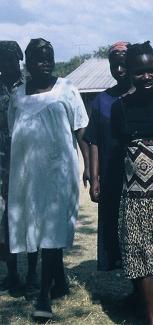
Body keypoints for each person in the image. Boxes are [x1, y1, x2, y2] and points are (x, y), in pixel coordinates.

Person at [7, 38, 89, 320]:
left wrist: (90, 168)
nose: (44, 62)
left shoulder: (67, 89)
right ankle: (60, 281)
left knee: (52, 229)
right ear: (27, 63)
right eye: (38, 58)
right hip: (26, 175)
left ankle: (44, 294)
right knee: (33, 226)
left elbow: (81, 131)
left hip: (58, 172)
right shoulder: (17, 95)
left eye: (49, 57)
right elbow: (13, 131)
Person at [111, 41, 153, 325]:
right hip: (137, 200)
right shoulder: (121, 107)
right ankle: (152, 320)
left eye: (151, 70)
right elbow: (122, 151)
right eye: (139, 72)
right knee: (143, 262)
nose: (147, 77)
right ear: (127, 72)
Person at [84, 41, 133, 271]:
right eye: (115, 66)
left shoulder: (144, 96)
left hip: (138, 179)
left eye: (123, 65)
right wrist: (95, 179)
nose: (119, 70)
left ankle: (139, 289)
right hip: (110, 177)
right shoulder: (101, 100)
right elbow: (93, 141)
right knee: (112, 227)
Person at [0, 41, 39, 299]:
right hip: (3, 164)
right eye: (2, 60)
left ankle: (33, 275)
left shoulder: (31, 88)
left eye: (11, 59)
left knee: (33, 218)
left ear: (19, 60)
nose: (7, 64)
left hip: (30, 161)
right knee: (6, 221)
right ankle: (11, 273)